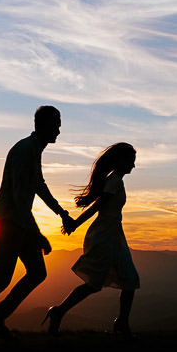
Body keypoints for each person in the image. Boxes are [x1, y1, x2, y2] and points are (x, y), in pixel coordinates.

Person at [0, 105, 75, 343]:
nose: (59, 130)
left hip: (18, 223)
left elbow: (38, 185)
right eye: (56, 124)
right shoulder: (25, 150)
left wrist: (61, 213)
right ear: (42, 125)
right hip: (9, 222)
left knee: (36, 273)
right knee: (1, 278)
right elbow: (20, 199)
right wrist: (38, 234)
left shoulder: (33, 149)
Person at [43, 142, 140, 338]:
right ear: (120, 161)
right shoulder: (114, 181)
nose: (133, 166)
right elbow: (98, 207)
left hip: (112, 235)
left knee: (127, 280)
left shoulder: (114, 180)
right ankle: (59, 312)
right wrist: (75, 224)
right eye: (131, 161)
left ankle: (121, 322)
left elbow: (99, 206)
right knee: (103, 282)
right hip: (105, 236)